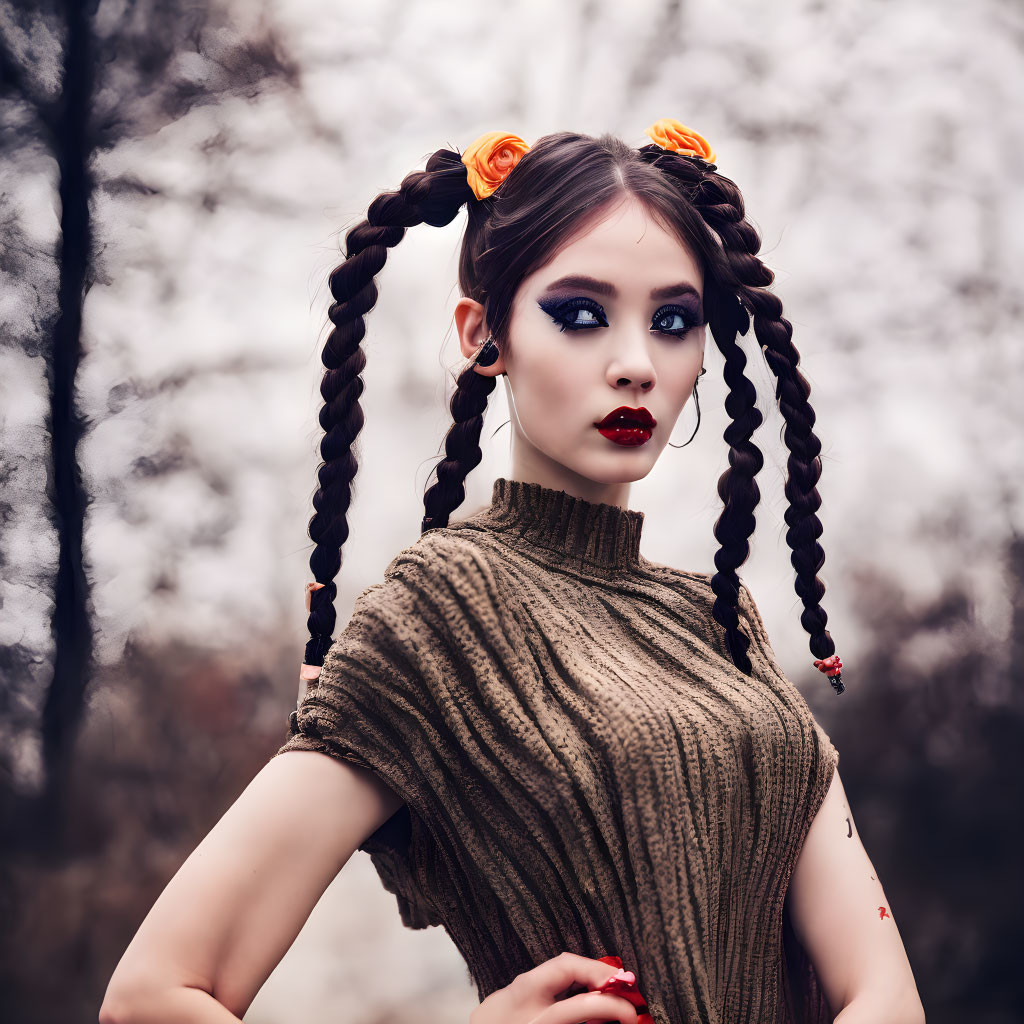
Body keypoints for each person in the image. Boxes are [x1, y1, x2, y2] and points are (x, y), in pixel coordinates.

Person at [99, 120, 924, 1024]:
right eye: (579, 314)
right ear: (484, 335)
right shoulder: (433, 618)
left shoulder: (722, 623)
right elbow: (152, 999)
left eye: (674, 321)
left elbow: (881, 993)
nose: (636, 364)